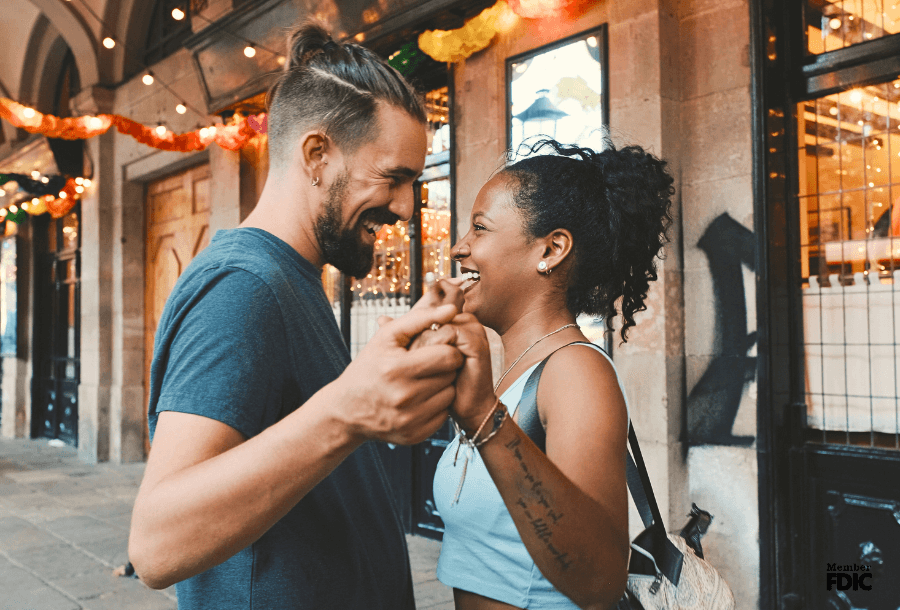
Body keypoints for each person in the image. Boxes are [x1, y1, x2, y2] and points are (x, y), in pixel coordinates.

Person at [128, 22, 467, 609]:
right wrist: (347, 412)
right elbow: (157, 545)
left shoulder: (292, 277)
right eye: (394, 178)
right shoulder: (244, 288)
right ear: (316, 154)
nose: (408, 208)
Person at [431, 138, 674, 609]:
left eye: (480, 229)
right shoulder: (509, 375)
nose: (460, 248)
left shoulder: (576, 372)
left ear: (551, 249)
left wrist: (483, 416)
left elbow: (601, 582)